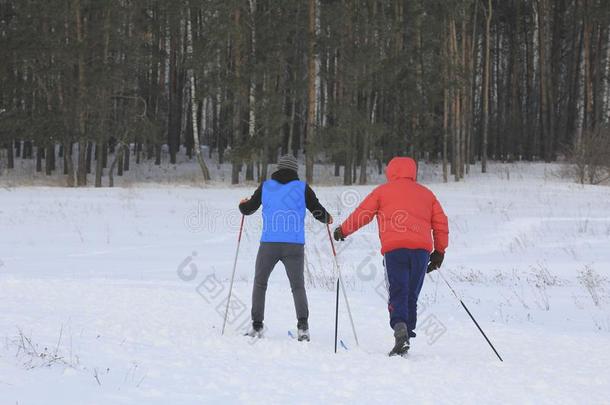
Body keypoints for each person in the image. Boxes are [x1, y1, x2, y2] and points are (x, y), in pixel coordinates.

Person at [333, 157, 448, 356]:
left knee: (398, 291)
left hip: (395, 251)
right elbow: (440, 223)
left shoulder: (382, 191)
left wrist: (343, 231)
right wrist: (439, 251)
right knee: (411, 293)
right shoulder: (426, 194)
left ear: (391, 171)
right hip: (421, 252)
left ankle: (401, 332)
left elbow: (363, 213)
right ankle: (406, 333)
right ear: (413, 171)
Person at [239, 155, 333, 341]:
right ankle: (303, 327)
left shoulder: (266, 186)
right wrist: (327, 218)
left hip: (269, 243)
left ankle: (257, 326)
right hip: (294, 245)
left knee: (260, 283)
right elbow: (317, 210)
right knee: (297, 286)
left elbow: (249, 208)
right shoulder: (301, 188)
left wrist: (242, 205)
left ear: (278, 169)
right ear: (295, 171)